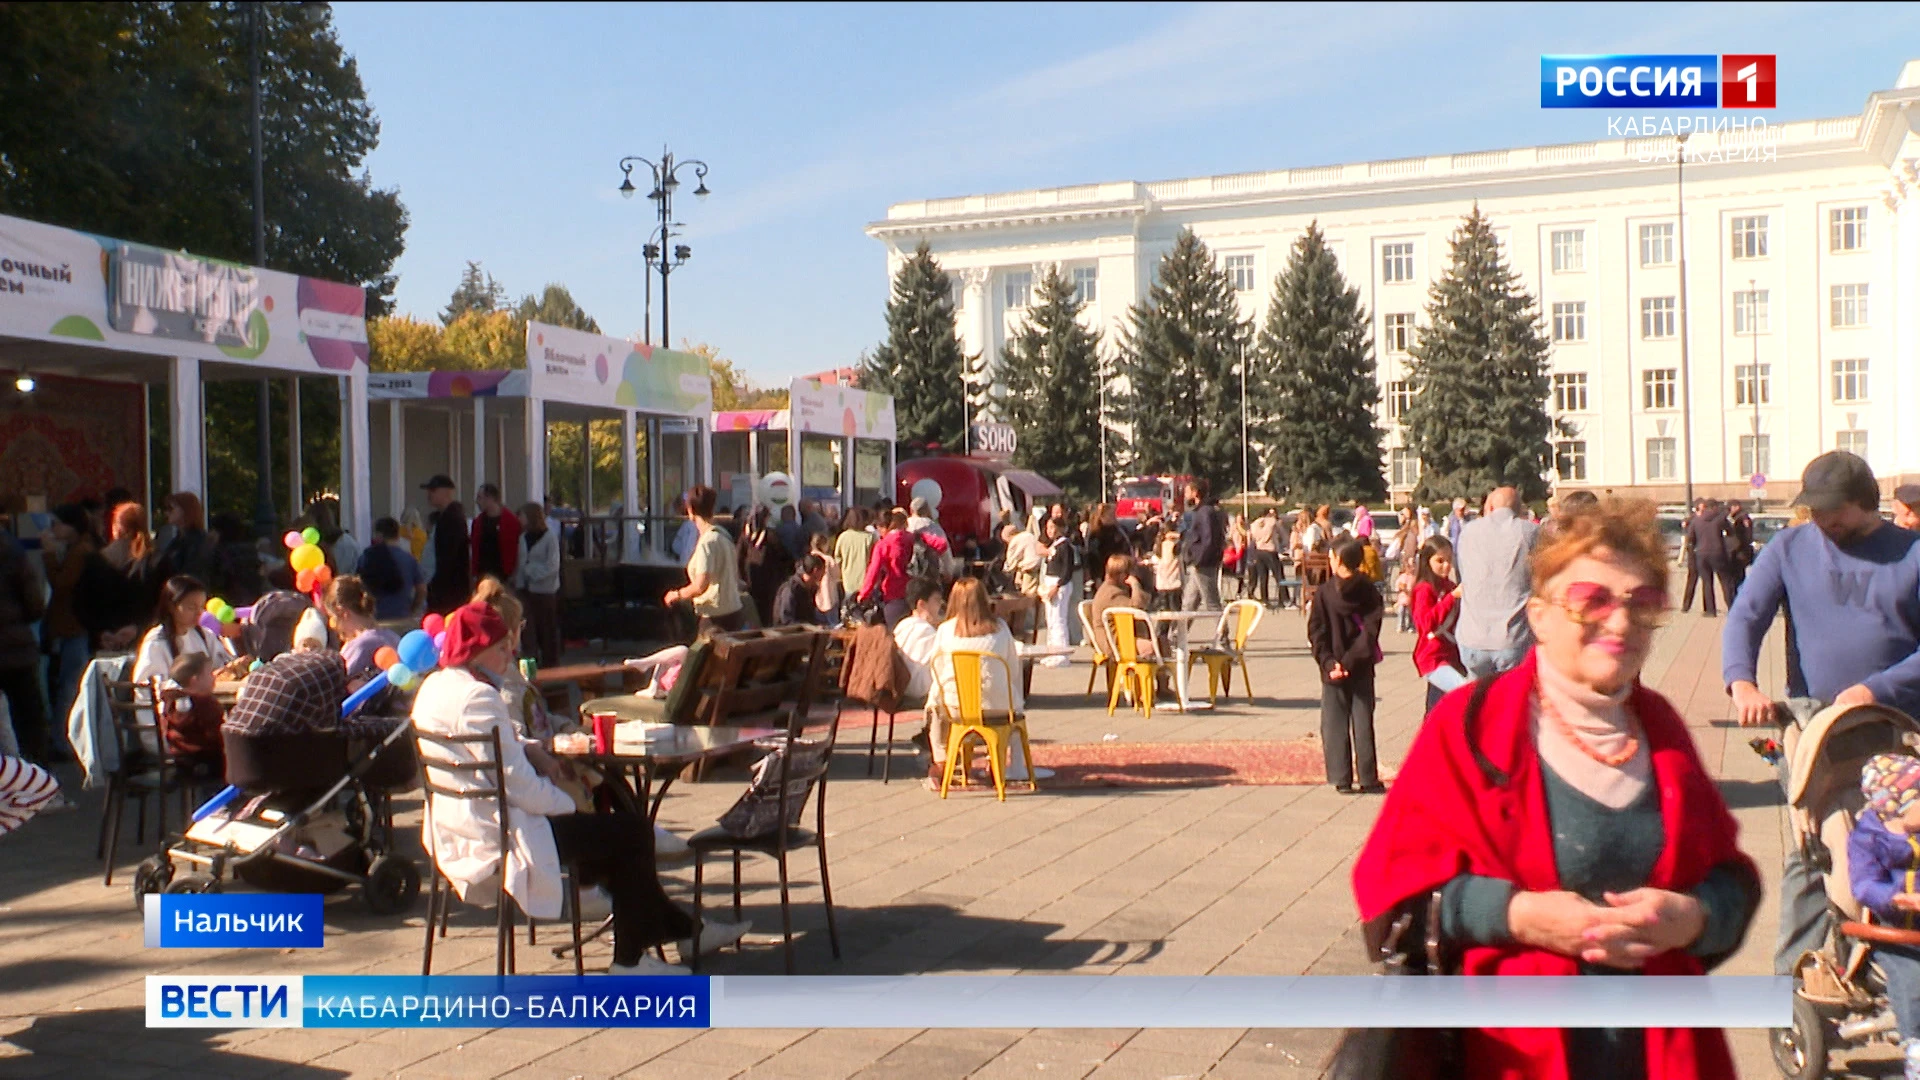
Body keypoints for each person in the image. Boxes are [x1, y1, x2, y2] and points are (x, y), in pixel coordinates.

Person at [1353, 496, 1760, 1079]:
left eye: (1641, 603)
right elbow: (1391, 901)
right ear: (1538, 615)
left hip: (1663, 1057)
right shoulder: (1471, 725)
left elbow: (1735, 882)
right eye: (1590, 599)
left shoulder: (1662, 728)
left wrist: (1693, 918)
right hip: (1510, 1057)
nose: (1619, 622)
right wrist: (1518, 915)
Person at [411, 601, 738, 974]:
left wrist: (534, 751)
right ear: (475, 651)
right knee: (631, 833)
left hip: (456, 824)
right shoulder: (479, 696)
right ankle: (632, 962)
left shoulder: (434, 688)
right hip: (499, 830)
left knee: (615, 840)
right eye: (501, 649)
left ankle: (684, 931)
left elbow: (495, 743)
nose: (509, 655)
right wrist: (572, 803)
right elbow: (522, 788)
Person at [1726, 450, 1920, 975]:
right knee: (1815, 847)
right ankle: (1796, 978)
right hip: (1815, 723)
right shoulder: (1791, 547)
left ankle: (1894, 965)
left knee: (1903, 841)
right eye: (1814, 510)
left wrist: (1876, 688)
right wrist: (1741, 682)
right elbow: (1746, 614)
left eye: (1833, 511)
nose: (1823, 522)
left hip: (1901, 724)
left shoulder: (1913, 552)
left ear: (1865, 503)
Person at [925, 578, 1046, 790]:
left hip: (959, 708)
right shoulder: (1001, 629)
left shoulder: (945, 630)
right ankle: (995, 759)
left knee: (936, 703)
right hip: (998, 707)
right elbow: (1012, 668)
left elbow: (937, 668)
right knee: (1005, 704)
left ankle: (942, 761)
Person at [1850, 753, 1920, 1055]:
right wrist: (1893, 899)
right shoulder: (1868, 840)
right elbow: (1863, 884)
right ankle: (1915, 1049)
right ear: (1897, 807)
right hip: (1895, 934)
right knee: (1913, 981)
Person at [1308, 538, 1385, 794]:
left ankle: (1341, 778)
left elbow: (1316, 632)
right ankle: (1367, 777)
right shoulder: (1370, 592)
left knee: (1334, 722)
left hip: (1333, 668)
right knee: (1363, 721)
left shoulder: (1324, 593)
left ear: (1337, 560)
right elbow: (1370, 634)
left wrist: (1330, 662)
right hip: (1361, 666)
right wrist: (1351, 662)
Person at [1455, 487, 1541, 678]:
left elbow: (1462, 573)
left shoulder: (1469, 532)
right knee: (1510, 700)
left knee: (1477, 700)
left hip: (1472, 636)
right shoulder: (1530, 532)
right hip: (1512, 635)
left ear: (1490, 507)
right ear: (1519, 509)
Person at [133, 576, 237, 726]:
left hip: (198, 717)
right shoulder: (157, 642)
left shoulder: (203, 634)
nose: (198, 613)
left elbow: (221, 665)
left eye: (201, 607)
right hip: (168, 724)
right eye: (191, 607)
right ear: (172, 606)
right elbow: (150, 689)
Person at [664, 485, 748, 635]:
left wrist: (676, 594)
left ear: (690, 510)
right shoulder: (724, 536)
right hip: (734, 611)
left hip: (715, 616)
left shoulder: (707, 543)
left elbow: (700, 585)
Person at [0, 529, 51, 764]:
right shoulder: (11, 549)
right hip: (16, 648)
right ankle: (37, 780)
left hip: (14, 646)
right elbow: (34, 603)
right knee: (29, 720)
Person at [859, 509, 946, 629]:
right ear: (905, 524)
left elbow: (873, 571)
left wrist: (864, 594)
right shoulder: (915, 537)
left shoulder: (883, 544)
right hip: (917, 594)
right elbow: (942, 544)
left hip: (893, 594)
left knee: (896, 633)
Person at [1408, 536, 1465, 714]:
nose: (1446, 566)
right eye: (1440, 561)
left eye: (1449, 560)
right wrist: (1451, 598)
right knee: (1464, 691)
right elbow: (1425, 623)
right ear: (1427, 561)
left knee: (1438, 709)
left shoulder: (1449, 585)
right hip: (1432, 657)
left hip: (1451, 655)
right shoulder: (1424, 588)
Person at [321, 577, 400, 683]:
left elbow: (337, 685)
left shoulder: (360, 646)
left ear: (344, 613)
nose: (333, 627)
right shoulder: (392, 636)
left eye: (333, 619)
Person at [161, 652, 227, 778]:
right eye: (209, 674)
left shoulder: (170, 702)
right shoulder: (205, 704)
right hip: (208, 762)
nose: (214, 678)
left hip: (181, 761)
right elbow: (217, 736)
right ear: (195, 680)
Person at [516, 503, 562, 668]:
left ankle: (551, 662)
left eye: (522, 515)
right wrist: (520, 584)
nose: (520, 519)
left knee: (547, 628)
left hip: (546, 591)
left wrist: (532, 572)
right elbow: (521, 563)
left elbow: (552, 566)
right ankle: (531, 662)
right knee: (529, 629)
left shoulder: (549, 538)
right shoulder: (523, 538)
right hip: (527, 590)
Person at [1089, 554, 1155, 669]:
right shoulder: (1112, 593)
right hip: (1114, 641)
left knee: (1162, 641)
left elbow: (1146, 601)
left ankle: (1162, 683)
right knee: (1154, 647)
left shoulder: (1115, 588)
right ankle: (1156, 682)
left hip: (1121, 636)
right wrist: (1135, 584)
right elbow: (1137, 608)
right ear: (1123, 574)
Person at [356, 517, 425, 622]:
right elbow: (422, 590)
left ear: (378, 535)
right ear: (397, 535)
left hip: (374, 619)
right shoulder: (409, 559)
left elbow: (357, 586)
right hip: (402, 618)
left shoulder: (367, 557)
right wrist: (412, 609)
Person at [422, 475, 470, 614]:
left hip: (449, 592)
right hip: (443, 589)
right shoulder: (443, 517)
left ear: (447, 492)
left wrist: (437, 587)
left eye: (433, 490)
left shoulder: (452, 519)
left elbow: (447, 558)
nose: (429, 494)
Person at [893, 577, 943, 704]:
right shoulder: (925, 631)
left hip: (900, 689)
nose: (940, 605)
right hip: (918, 692)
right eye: (936, 601)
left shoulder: (901, 626)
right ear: (922, 604)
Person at [1178, 480, 1226, 613]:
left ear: (1195, 493)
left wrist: (1199, 559)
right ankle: (1179, 633)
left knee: (1212, 602)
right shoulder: (1202, 511)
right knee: (1189, 603)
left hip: (1203, 564)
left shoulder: (1205, 512)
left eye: (1187, 491)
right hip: (1198, 563)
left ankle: (1222, 632)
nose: (1185, 495)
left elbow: (1208, 539)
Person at [1684, 499, 1736, 618]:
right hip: (1718, 553)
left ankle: (1710, 610)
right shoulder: (1720, 519)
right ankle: (1732, 607)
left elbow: (1691, 537)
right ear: (1714, 507)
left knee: (1707, 582)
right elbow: (1730, 532)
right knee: (1725, 581)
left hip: (1702, 554)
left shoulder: (1696, 520)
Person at [1037, 516, 1077, 667]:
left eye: (1053, 528)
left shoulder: (1065, 546)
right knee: (1051, 620)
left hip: (1059, 584)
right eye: (1047, 528)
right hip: (1050, 582)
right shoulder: (1053, 546)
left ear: (1061, 528)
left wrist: (1057, 586)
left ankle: (1062, 655)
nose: (1049, 531)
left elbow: (1067, 570)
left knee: (1059, 620)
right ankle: (1051, 652)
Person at [469, 483, 521, 586]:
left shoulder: (510, 521)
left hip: (504, 576)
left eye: (480, 498)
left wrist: (514, 574)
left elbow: (517, 548)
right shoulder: (478, 522)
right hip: (482, 575)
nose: (477, 502)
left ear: (491, 498)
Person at [160, 491, 216, 585]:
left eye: (171, 509)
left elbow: (194, 572)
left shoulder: (199, 541)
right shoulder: (177, 540)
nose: (166, 513)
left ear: (185, 510)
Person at [770, 555, 830, 628]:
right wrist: (811, 628)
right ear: (815, 570)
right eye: (823, 570)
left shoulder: (810, 588)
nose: (824, 573)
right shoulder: (790, 589)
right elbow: (785, 620)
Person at [835, 508, 876, 601]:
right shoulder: (870, 538)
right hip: (866, 582)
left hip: (848, 582)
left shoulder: (843, 537)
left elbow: (838, 560)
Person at [1247, 507, 1284, 609]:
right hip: (1270, 550)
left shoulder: (1254, 524)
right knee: (1278, 575)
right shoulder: (1272, 521)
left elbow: (1252, 538)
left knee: (1263, 576)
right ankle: (1283, 599)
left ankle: (1265, 599)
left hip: (1259, 550)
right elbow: (1282, 535)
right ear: (1268, 513)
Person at [1001, 522, 1043, 599]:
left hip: (1030, 569)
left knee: (1028, 595)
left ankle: (1029, 610)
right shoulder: (1029, 535)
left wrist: (1005, 569)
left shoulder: (1015, 541)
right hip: (1039, 567)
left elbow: (1011, 561)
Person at [1723, 499, 1754, 590]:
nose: (1730, 510)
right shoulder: (1737, 517)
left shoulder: (1742, 517)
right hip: (1739, 551)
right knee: (1738, 576)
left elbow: (1743, 534)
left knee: (1738, 577)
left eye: (1731, 508)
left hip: (1739, 551)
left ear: (1736, 507)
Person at [809, 532, 842, 617]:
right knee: (832, 623)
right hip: (828, 595)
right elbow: (837, 575)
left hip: (813, 597)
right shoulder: (828, 559)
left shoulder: (809, 558)